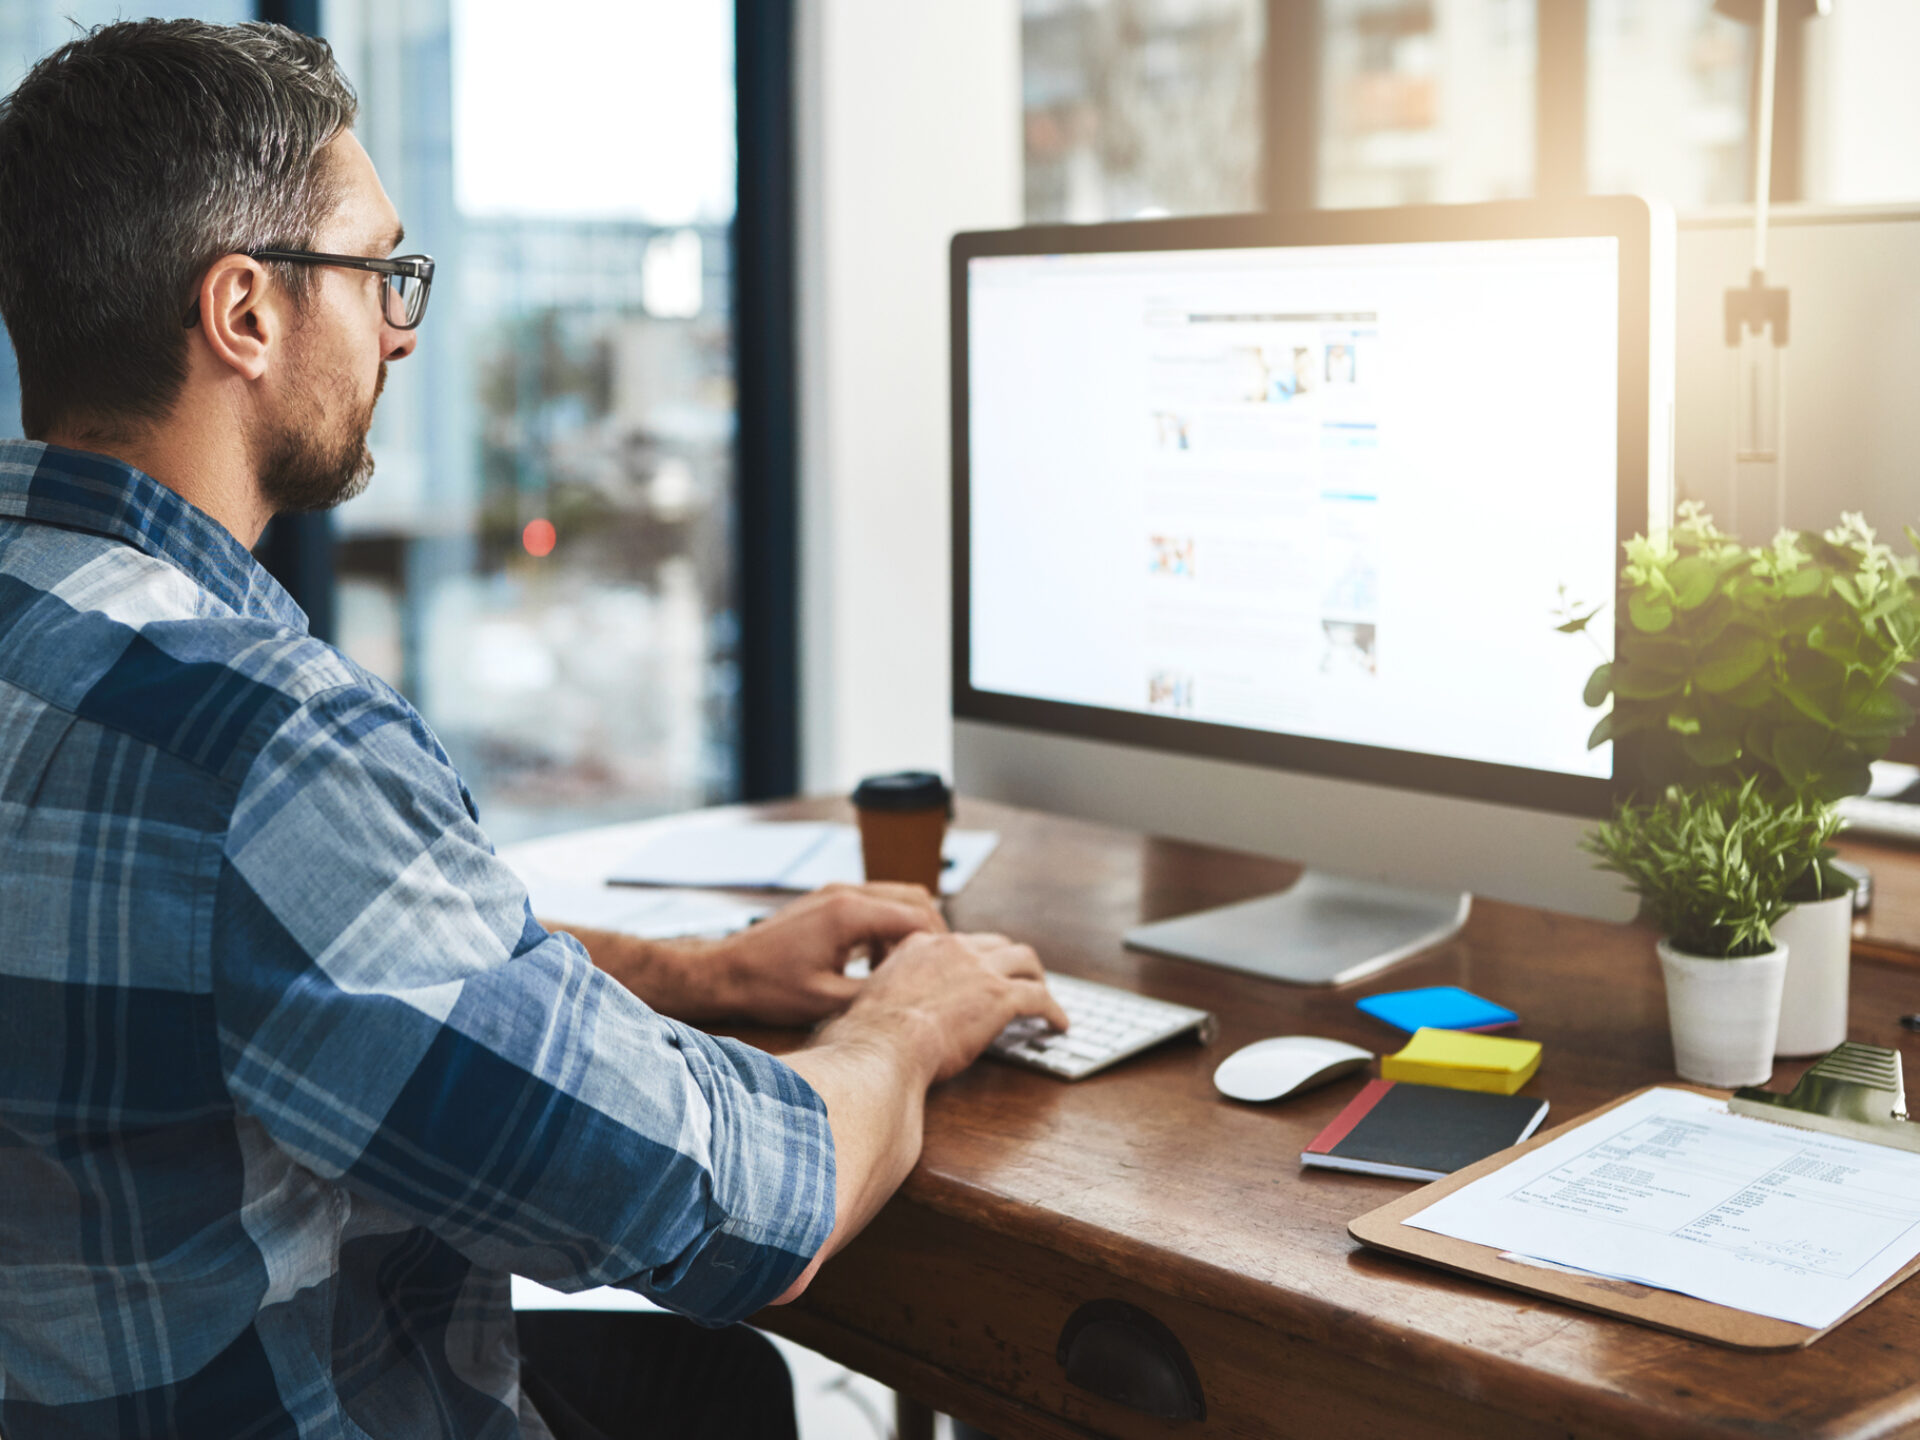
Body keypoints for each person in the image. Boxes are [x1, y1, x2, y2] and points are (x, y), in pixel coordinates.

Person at [0, 20, 1068, 1440]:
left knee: (707, 1395)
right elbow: (724, 1212)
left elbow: (293, 963)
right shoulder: (259, 734)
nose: (403, 323)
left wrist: (706, 973)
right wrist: (905, 1029)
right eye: (377, 272)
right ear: (245, 312)